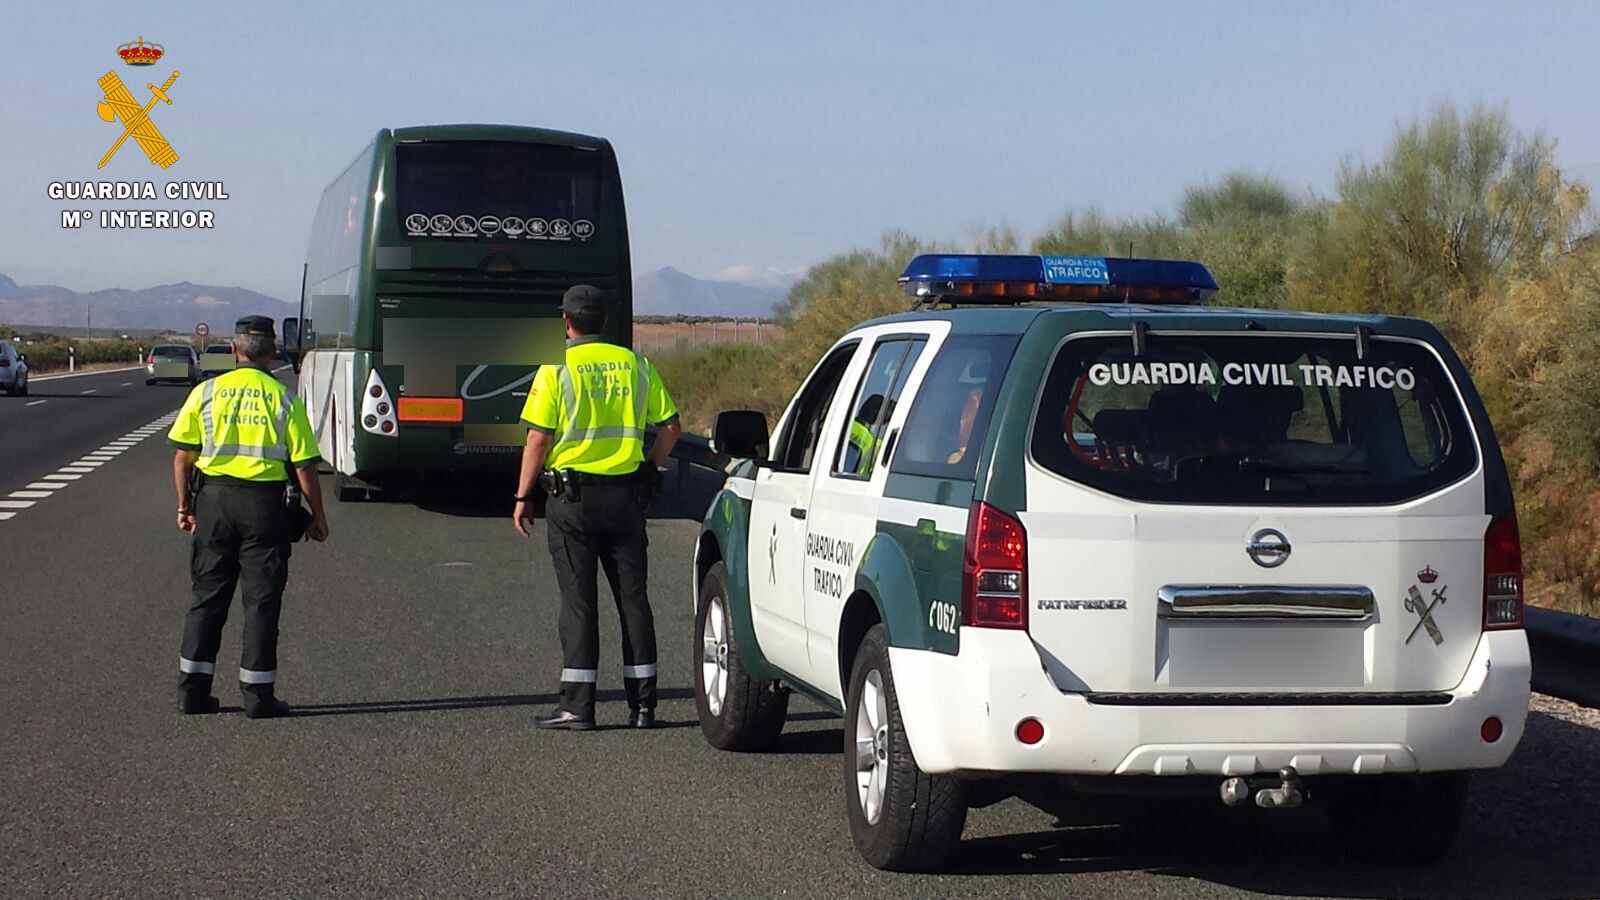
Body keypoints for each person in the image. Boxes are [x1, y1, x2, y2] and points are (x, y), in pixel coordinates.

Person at [513, 285, 681, 731]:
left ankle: (578, 706)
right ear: (604, 322)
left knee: (579, 602)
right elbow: (671, 427)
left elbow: (539, 438)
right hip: (626, 499)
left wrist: (522, 495)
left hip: (574, 501)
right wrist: (649, 467)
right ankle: (644, 706)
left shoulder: (556, 370)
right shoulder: (637, 365)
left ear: (565, 321)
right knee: (633, 600)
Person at [167, 316, 328, 718]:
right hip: (264, 507)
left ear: (235, 351)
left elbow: (183, 456)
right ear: (273, 352)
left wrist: (184, 506)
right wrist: (318, 516)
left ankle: (193, 691)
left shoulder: (207, 392)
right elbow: (305, 465)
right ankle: (258, 696)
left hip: (214, 503)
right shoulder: (283, 398)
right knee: (261, 602)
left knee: (207, 598)